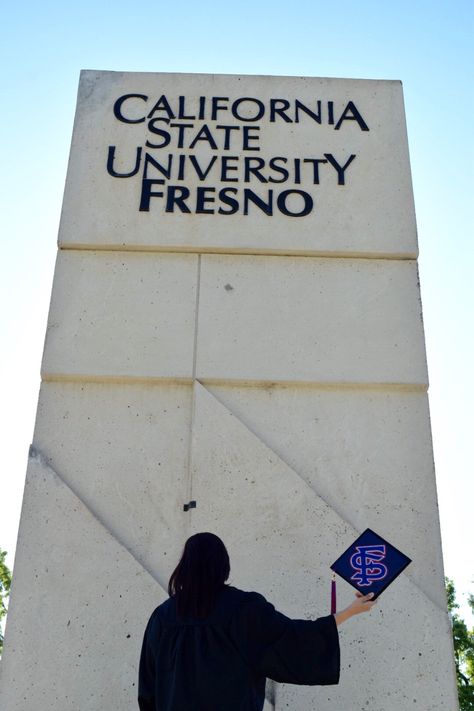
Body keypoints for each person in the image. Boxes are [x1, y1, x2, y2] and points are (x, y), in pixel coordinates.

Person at [138, 532, 375, 711]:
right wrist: (349, 611)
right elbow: (293, 641)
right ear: (223, 565)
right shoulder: (243, 609)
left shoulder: (162, 618)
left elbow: (148, 690)